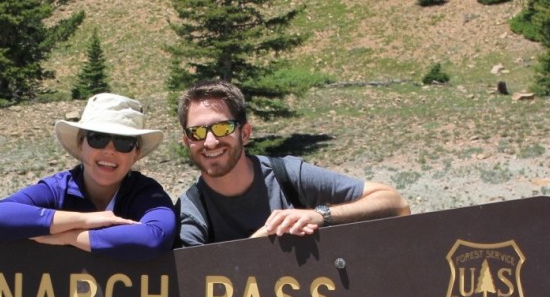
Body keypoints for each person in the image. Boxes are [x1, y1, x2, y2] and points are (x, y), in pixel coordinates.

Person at [175, 80, 408, 246]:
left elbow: (396, 203)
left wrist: (319, 215)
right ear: (187, 141)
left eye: (222, 127)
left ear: (245, 133)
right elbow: (195, 286)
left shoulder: (287, 175)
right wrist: (259, 242)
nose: (210, 141)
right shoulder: (191, 209)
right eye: (197, 132)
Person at [0, 93, 176, 260]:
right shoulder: (58, 188)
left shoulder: (146, 193)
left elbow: (155, 238)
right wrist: (84, 220)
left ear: (136, 153)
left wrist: (69, 237)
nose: (109, 150)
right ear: (81, 144)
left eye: (123, 142)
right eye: (97, 138)